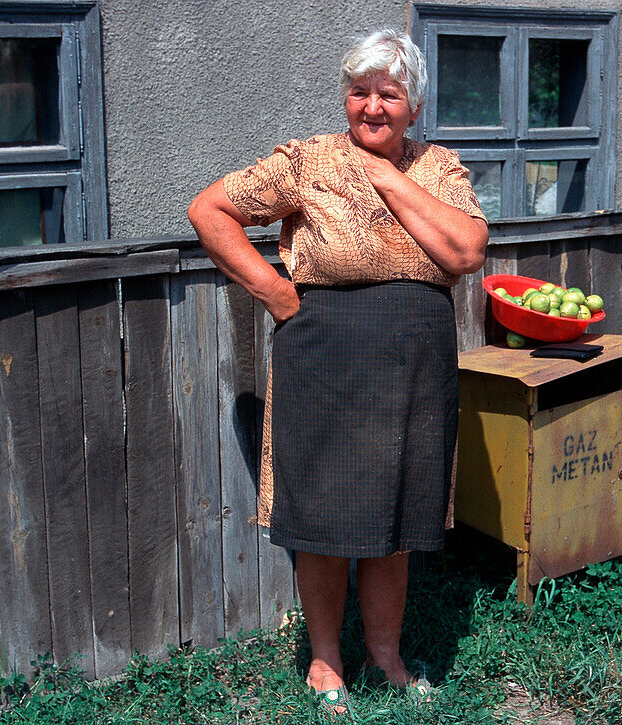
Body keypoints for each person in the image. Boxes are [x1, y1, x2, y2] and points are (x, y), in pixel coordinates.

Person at [187, 28, 488, 714]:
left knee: (398, 521)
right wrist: (276, 293)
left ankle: (385, 654)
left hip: (416, 368)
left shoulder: (437, 167)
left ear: (414, 106)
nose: (372, 107)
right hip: (324, 362)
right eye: (360, 92)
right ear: (344, 99)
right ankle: (325, 663)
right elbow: (210, 210)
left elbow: (467, 249)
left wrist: (383, 175)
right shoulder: (308, 161)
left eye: (389, 94)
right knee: (324, 520)